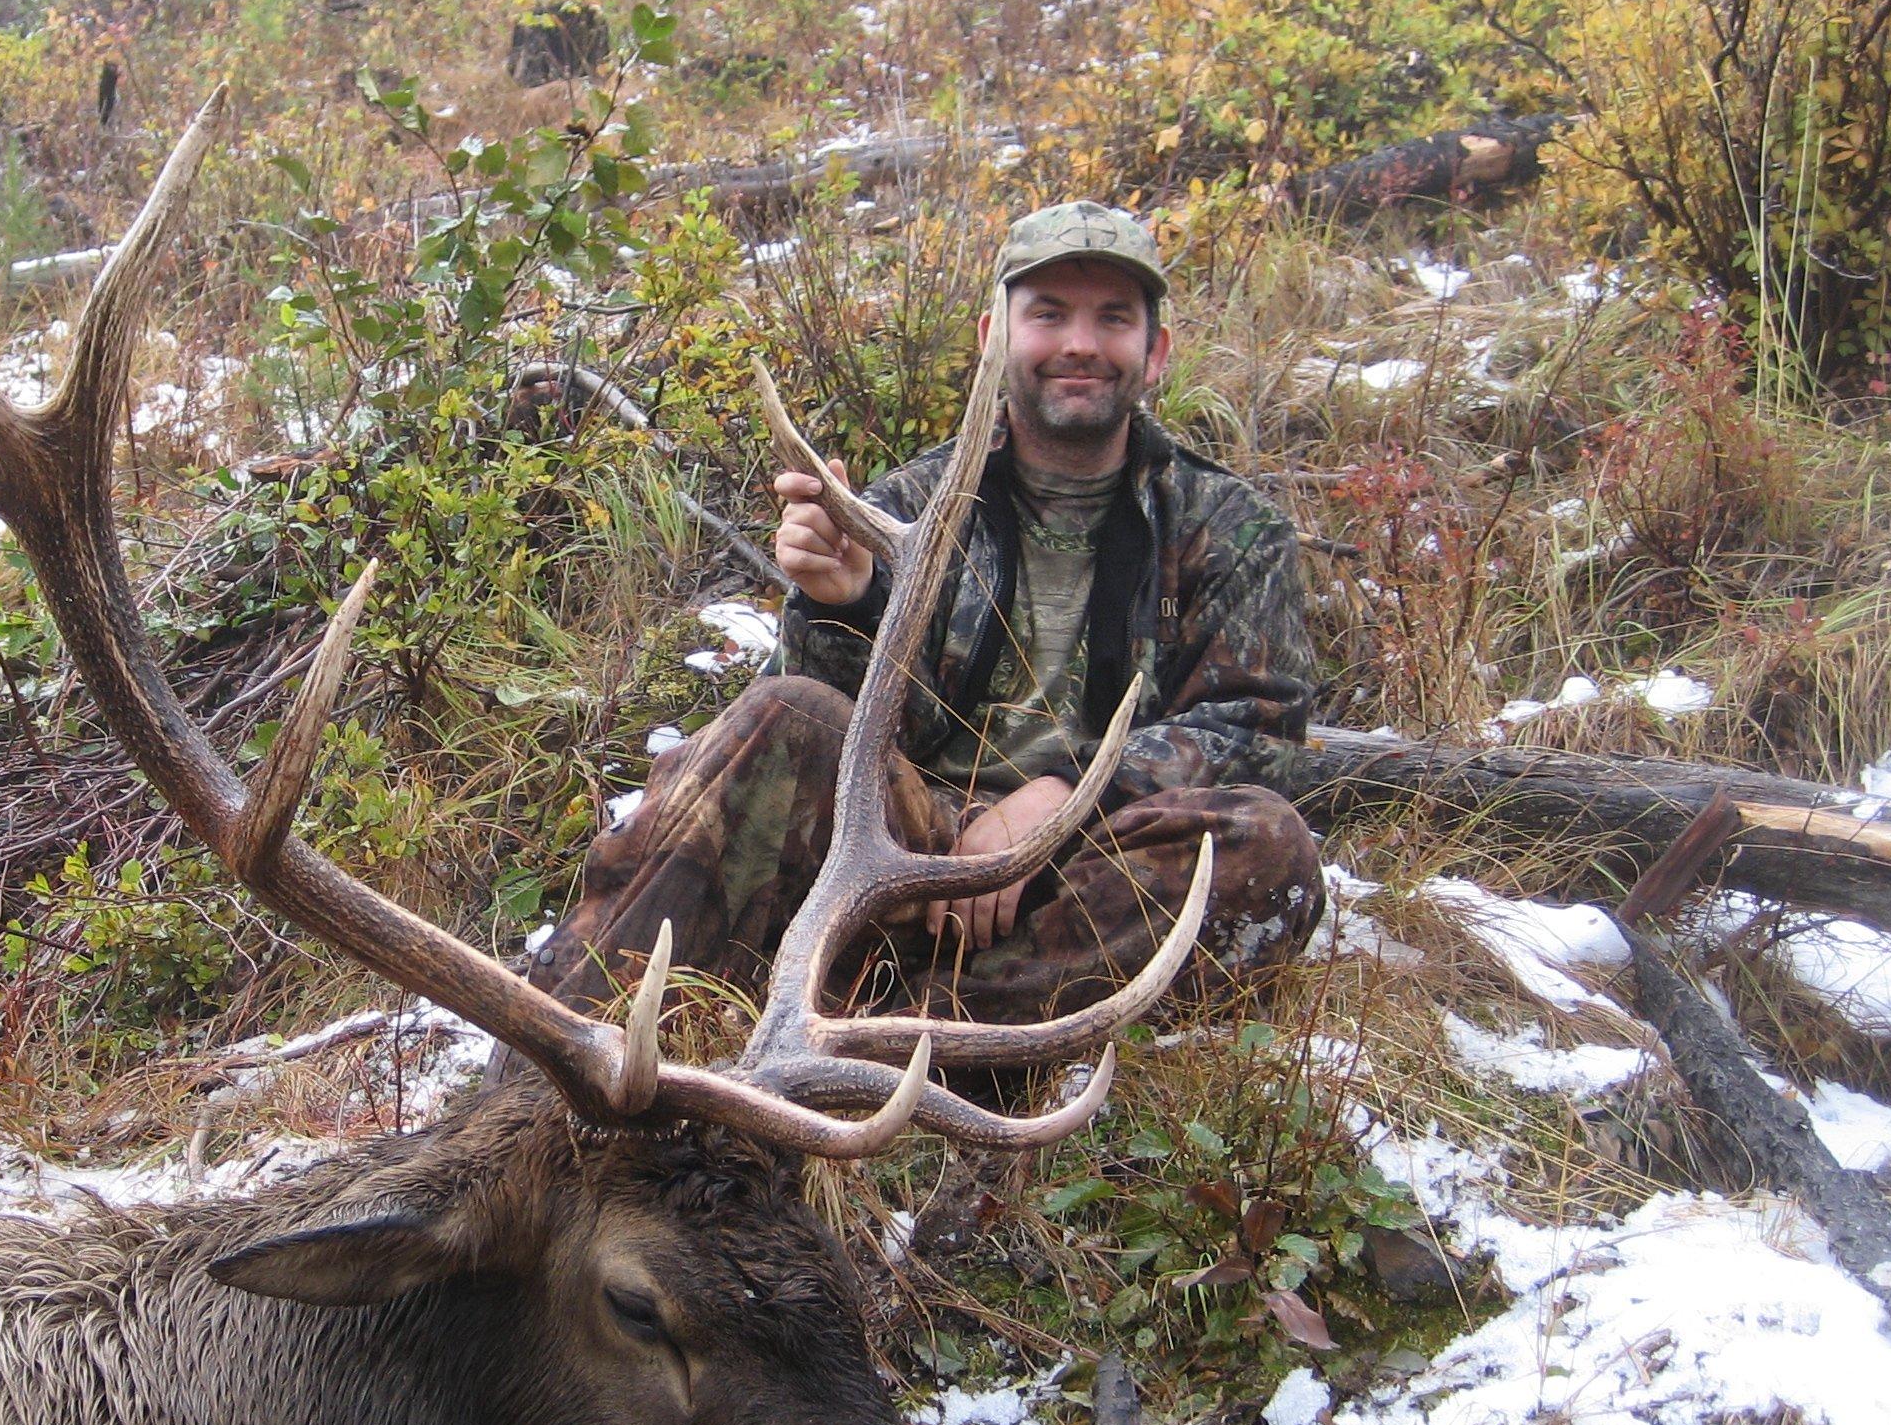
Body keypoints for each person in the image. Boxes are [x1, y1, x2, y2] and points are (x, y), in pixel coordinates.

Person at [521, 201, 1325, 1070]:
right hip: (901, 840)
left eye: (1114, 319)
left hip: (1087, 862)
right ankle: (553, 1064)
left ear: (1156, 352)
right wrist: (843, 605)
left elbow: (1260, 735)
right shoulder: (903, 506)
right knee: (783, 712)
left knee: (1264, 846)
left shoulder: (1233, 528)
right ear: (993, 338)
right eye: (1048, 314)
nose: (1081, 344)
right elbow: (821, 730)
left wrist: (1061, 796)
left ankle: (879, 1039)